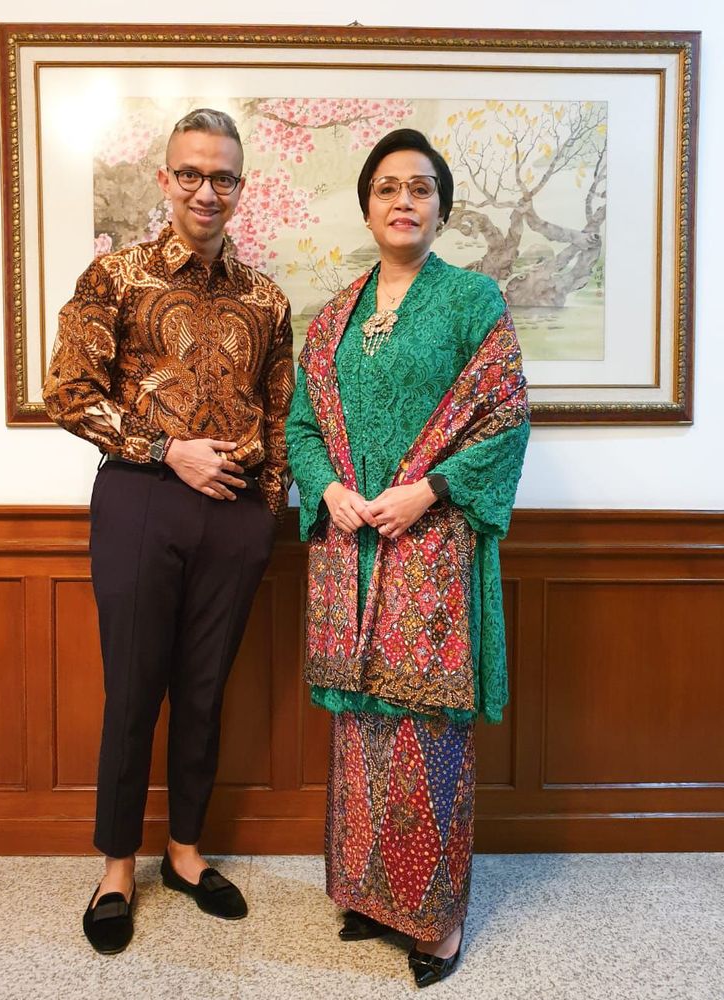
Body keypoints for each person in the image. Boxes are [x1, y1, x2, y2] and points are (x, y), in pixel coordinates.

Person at [43, 108, 294, 954]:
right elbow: (68, 392)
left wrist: (268, 507)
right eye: (189, 173)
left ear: (241, 185)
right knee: (133, 686)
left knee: (203, 688)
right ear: (164, 179)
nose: (205, 190)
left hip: (238, 518)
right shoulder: (113, 275)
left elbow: (285, 410)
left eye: (222, 176)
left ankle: (185, 851)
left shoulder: (268, 296)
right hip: (140, 500)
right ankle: (118, 864)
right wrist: (166, 450)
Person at [286, 128, 529, 988]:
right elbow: (302, 427)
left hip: (430, 548)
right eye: (388, 187)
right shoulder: (336, 315)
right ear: (366, 204)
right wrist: (326, 491)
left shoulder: (472, 300)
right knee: (362, 729)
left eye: (420, 189)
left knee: (429, 733)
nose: (403, 201)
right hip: (351, 552)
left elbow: (505, 416)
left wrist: (425, 493)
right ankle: (368, 894)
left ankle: (436, 922)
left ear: (441, 207)